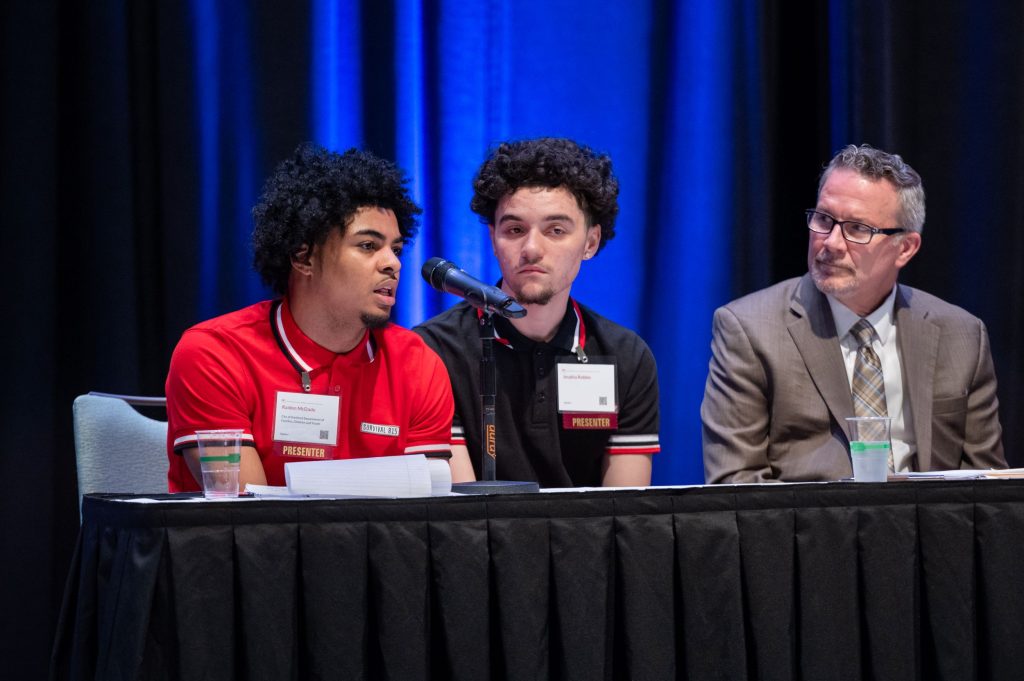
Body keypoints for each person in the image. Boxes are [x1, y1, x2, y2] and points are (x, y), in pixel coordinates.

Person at [702, 144, 1005, 483]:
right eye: (824, 219)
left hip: (930, 518)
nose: (831, 243)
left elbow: (986, 489)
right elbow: (736, 485)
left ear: (905, 248)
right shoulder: (749, 329)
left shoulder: (962, 336)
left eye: (858, 228)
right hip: (806, 518)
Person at [165, 143, 454, 492]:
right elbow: (245, 513)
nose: (393, 263)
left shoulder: (418, 364)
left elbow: (428, 511)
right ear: (303, 258)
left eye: (395, 249)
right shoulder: (213, 354)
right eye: (367, 245)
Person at [415, 137, 660, 488]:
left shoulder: (626, 356)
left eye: (555, 230)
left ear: (590, 242)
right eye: (515, 230)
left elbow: (623, 509)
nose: (531, 248)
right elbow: (461, 511)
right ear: (493, 239)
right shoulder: (435, 350)